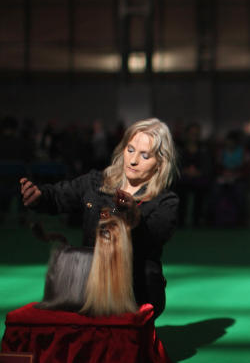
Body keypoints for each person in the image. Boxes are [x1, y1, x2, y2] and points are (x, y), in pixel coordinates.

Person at [19, 118, 179, 319]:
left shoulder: (166, 202)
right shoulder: (95, 182)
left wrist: (134, 218)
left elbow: (154, 235)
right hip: (85, 285)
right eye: (130, 150)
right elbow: (59, 196)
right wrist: (39, 196)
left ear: (160, 163)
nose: (133, 160)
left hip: (137, 290)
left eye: (145, 155)